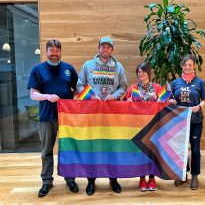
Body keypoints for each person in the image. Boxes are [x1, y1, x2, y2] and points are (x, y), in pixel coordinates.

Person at [27, 39, 79, 197]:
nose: (54, 54)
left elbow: (77, 90)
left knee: (68, 149)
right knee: (46, 151)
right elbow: (33, 94)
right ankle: (46, 181)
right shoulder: (38, 70)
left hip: (67, 118)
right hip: (47, 117)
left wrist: (83, 100)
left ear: (61, 52)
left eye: (57, 51)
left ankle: (70, 178)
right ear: (46, 51)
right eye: (51, 51)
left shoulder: (69, 69)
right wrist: (47, 96)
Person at [76, 36, 127, 196]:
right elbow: (79, 85)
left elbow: (124, 86)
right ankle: (91, 180)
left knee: (112, 146)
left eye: (108, 47)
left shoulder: (118, 67)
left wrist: (115, 94)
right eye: (102, 47)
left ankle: (113, 179)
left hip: (112, 113)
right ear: (98, 48)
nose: (105, 49)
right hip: (92, 113)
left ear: (112, 50)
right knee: (92, 147)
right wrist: (90, 96)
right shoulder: (88, 65)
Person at [170, 54, 205, 190]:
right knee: (181, 149)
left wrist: (199, 106)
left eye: (190, 65)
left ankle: (195, 176)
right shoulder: (175, 83)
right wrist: (171, 101)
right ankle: (182, 175)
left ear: (194, 66)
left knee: (195, 149)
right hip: (180, 122)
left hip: (196, 121)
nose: (187, 67)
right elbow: (169, 99)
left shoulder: (200, 82)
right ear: (182, 66)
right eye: (185, 65)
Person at [124, 62, 162, 191]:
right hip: (137, 126)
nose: (141, 74)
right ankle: (141, 178)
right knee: (140, 153)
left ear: (148, 73)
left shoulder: (157, 88)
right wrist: (127, 102)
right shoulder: (132, 89)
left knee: (152, 152)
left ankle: (152, 178)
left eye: (143, 71)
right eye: (139, 72)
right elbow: (122, 106)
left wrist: (161, 102)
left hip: (153, 126)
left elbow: (166, 103)